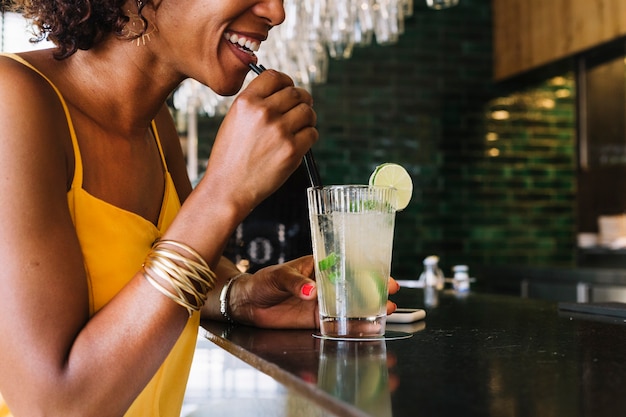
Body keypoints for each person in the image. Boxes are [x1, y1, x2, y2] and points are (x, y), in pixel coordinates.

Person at [0, 1, 399, 416]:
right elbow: (54, 405)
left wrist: (240, 295)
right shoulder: (12, 100)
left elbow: (144, 268)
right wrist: (224, 191)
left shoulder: (156, 126)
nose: (276, 12)